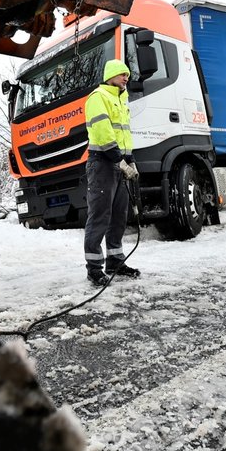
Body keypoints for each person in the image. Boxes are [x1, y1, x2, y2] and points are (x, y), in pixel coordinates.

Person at [83, 59, 141, 286]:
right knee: (100, 216)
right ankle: (94, 268)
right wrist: (119, 160)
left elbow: (124, 135)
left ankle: (115, 261)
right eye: (122, 74)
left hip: (120, 163)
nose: (126, 77)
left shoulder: (121, 100)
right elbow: (103, 132)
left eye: (127, 74)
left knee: (119, 215)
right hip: (103, 164)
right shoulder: (99, 97)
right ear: (110, 76)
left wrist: (130, 160)